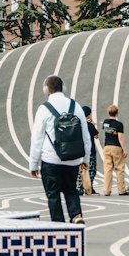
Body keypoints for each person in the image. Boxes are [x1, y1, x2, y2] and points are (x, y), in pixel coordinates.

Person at [29, 75, 90, 224]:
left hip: (51, 159)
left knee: (53, 194)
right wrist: (85, 159)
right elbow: (85, 136)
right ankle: (76, 215)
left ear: (46, 90)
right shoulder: (75, 106)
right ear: (63, 88)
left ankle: (59, 224)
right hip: (73, 159)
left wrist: (33, 164)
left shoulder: (44, 109)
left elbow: (37, 138)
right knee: (71, 190)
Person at [101, 105, 127, 195]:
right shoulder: (119, 124)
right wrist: (124, 149)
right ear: (117, 113)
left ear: (108, 113)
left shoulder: (105, 122)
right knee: (119, 169)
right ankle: (121, 190)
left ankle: (107, 190)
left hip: (107, 147)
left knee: (108, 169)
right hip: (116, 147)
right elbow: (120, 137)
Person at [80, 106, 98, 196]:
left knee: (80, 170)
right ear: (89, 115)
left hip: (80, 151)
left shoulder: (79, 125)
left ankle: (79, 188)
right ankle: (89, 188)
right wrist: (92, 123)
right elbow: (96, 136)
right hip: (91, 151)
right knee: (92, 170)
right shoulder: (90, 126)